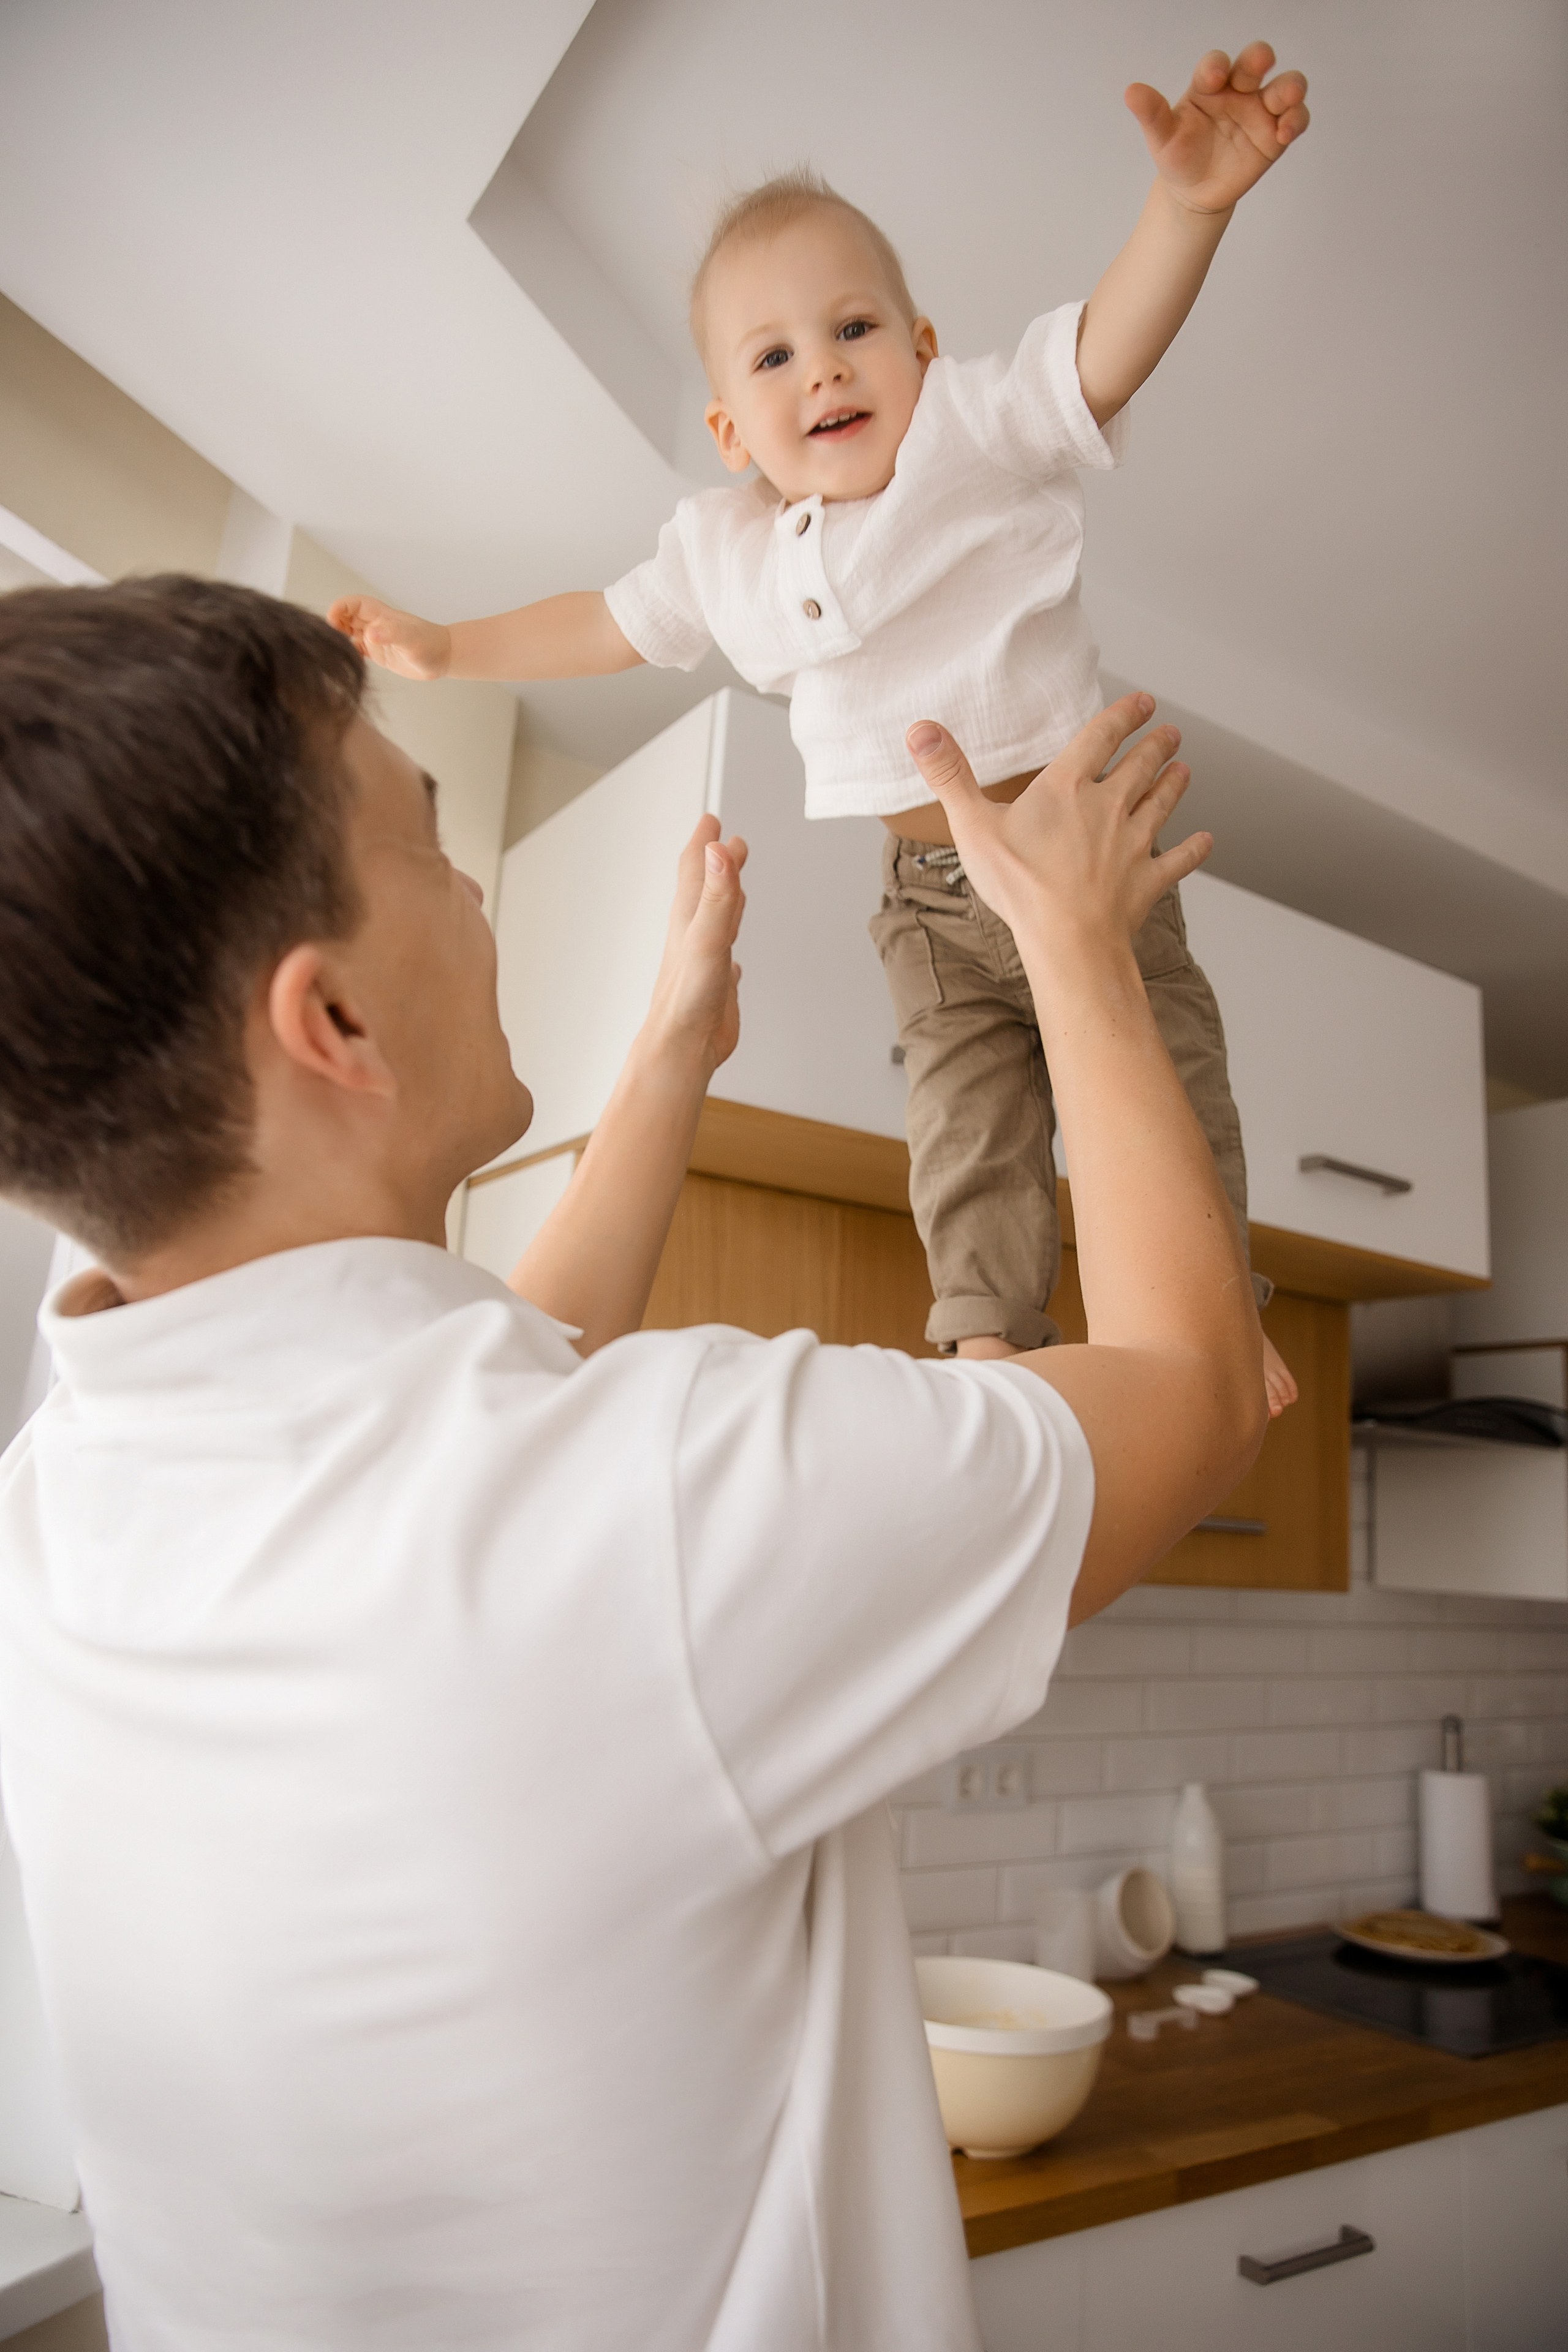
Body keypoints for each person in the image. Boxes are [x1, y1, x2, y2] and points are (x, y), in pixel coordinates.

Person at [0, 575, 1264, 2349]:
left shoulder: (62, 1505)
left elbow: (492, 1415)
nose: (470, 889)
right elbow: (1195, 1388)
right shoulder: (660, 1506)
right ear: (333, 1026)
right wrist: (1069, 944)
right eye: (432, 848)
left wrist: (670, 1053)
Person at [330, 40, 1308, 1415]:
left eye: (854, 330)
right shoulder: (722, 549)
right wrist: (449, 647)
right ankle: (983, 1349)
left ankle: (1221, 1311)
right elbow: (605, 623)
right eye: (775, 356)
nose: (823, 373)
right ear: (733, 428)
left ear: (918, 350)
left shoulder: (967, 433)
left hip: (1070, 850)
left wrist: (1186, 212)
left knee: (1167, 1079)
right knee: (963, 1126)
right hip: (923, 899)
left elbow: (1097, 352)